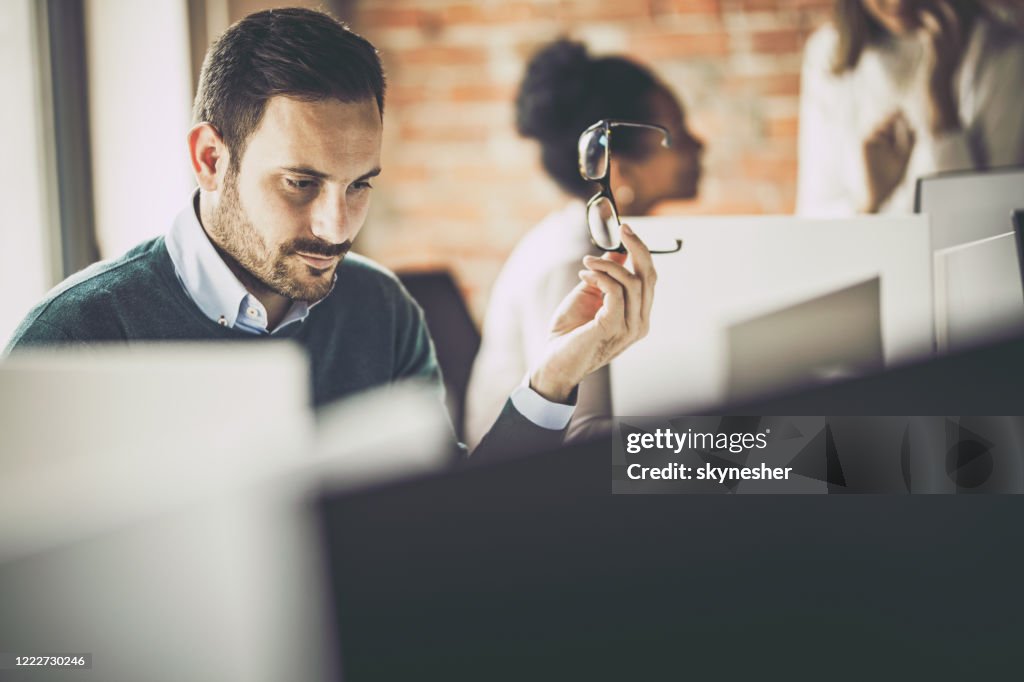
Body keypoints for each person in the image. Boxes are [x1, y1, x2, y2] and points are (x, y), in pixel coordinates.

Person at [3, 8, 658, 461]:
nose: (337, 227)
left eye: (359, 185)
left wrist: (555, 373)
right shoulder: (68, 342)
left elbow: (441, 522)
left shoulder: (381, 308)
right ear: (210, 159)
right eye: (300, 184)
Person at [465, 39, 704, 449]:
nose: (700, 145)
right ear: (623, 170)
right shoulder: (572, 264)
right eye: (678, 135)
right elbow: (584, 443)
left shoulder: (598, 240)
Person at [796, 0, 1024, 216]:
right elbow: (814, 214)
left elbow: (994, 225)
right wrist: (871, 202)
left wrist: (941, 105)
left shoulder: (1005, 54)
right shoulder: (827, 54)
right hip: (867, 255)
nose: (898, 2)